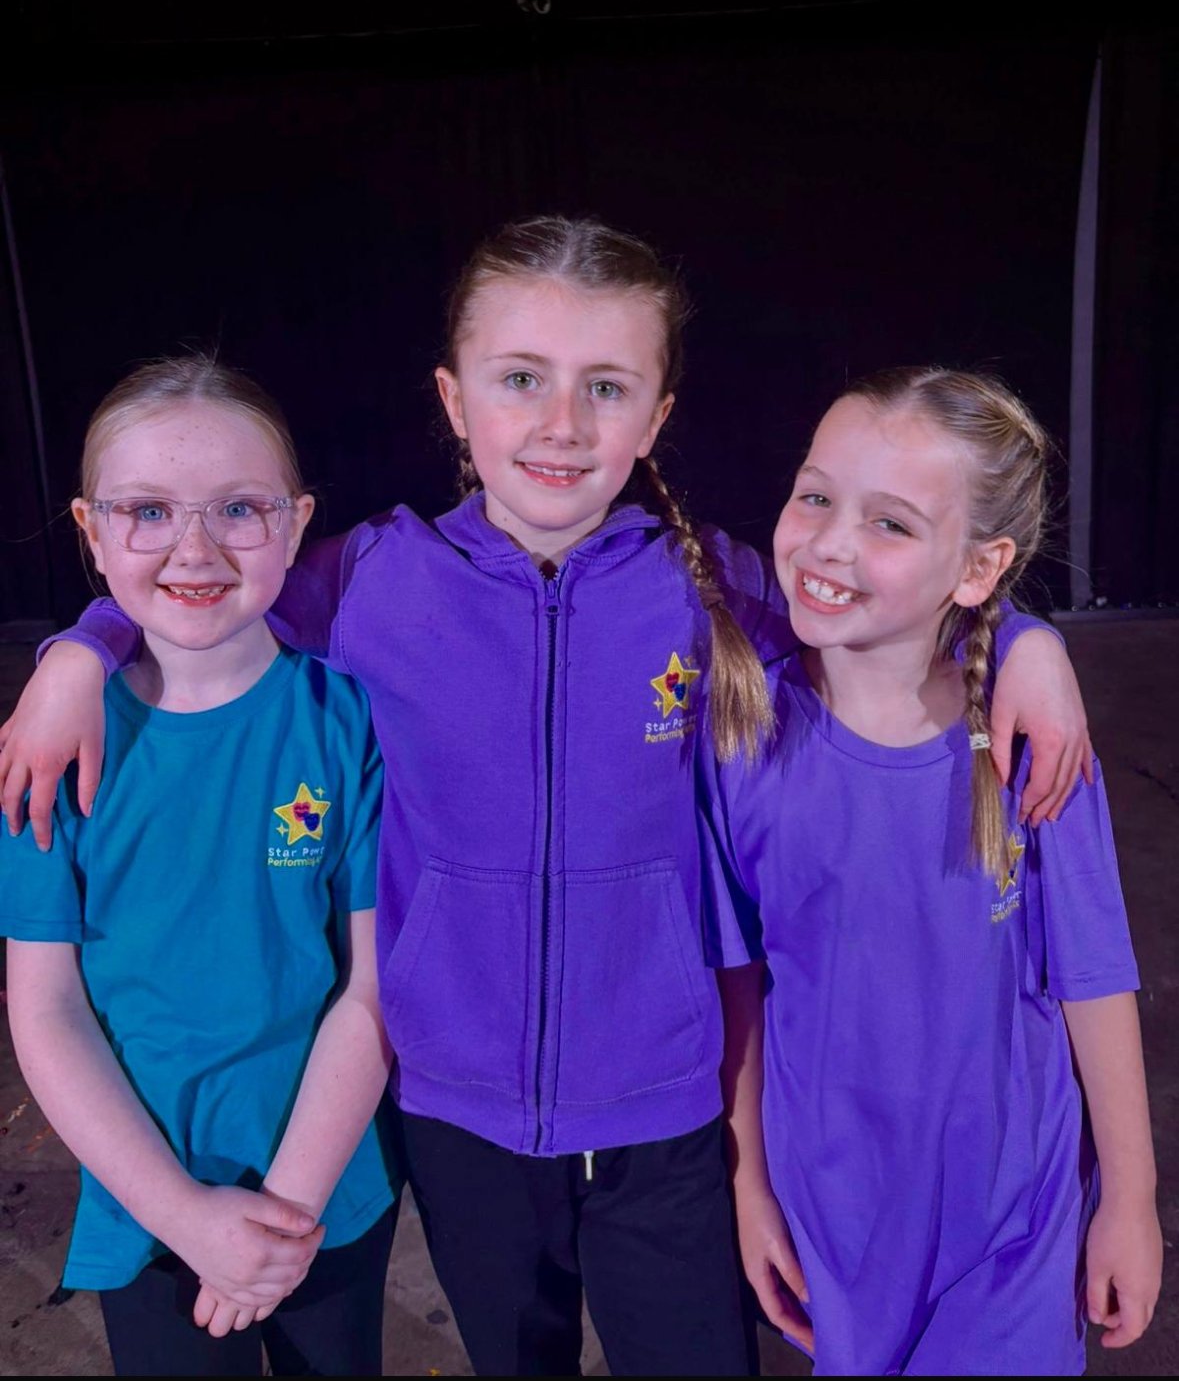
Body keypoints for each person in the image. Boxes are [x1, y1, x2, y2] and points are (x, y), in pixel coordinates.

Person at [0, 220, 1090, 1377]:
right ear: (455, 399)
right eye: (521, 379)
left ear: (657, 416)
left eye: (605, 386)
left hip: (668, 1110)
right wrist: (82, 645)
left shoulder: (710, 585)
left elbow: (882, 599)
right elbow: (208, 581)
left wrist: (1020, 636)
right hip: (457, 1115)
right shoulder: (369, 580)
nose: (561, 423)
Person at [709, 367, 1162, 1376]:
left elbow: (1092, 971)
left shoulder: (1028, 741)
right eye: (816, 494)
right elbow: (733, 978)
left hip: (1011, 1213)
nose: (829, 541)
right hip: (839, 1208)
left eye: (891, 523)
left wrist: (1130, 1192)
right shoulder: (745, 737)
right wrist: (749, 1186)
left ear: (979, 565)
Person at [0, 358, 398, 1378]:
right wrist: (186, 1216)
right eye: (147, 510)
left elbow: (372, 987)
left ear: (299, 521)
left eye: (239, 508)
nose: (196, 546)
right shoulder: (53, 752)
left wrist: (287, 1214)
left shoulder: (346, 720)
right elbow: (46, 1009)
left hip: (327, 1188)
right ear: (90, 529)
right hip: (147, 1202)